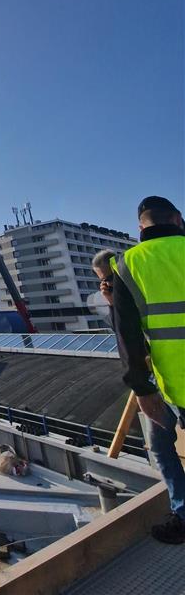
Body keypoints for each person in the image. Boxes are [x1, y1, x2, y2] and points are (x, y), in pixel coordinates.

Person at [110, 195, 185, 544]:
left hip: (173, 386)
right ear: (177, 219)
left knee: (161, 447)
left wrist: (141, 388)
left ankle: (183, 514)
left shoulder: (128, 264)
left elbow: (128, 335)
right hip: (173, 386)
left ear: (141, 227)